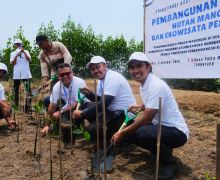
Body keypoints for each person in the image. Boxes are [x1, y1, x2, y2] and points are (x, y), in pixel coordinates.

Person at [111, 52, 190, 179]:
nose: (135, 70)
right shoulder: (144, 84)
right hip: (160, 126)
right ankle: (160, 150)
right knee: (133, 130)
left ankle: (168, 162)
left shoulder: (156, 84)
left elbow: (147, 117)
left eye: (139, 66)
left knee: (142, 133)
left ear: (148, 67)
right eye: (132, 67)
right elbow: (153, 105)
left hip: (177, 132)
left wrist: (122, 133)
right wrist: (141, 106)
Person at [73, 56, 136, 144]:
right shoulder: (101, 81)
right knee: (86, 106)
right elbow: (99, 100)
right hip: (110, 110)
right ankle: (100, 129)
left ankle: (118, 136)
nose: (95, 71)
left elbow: (105, 102)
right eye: (92, 69)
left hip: (123, 114)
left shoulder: (113, 77)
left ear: (105, 66)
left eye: (98, 67)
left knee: (92, 131)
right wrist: (89, 94)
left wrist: (83, 113)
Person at [41, 63, 90, 146]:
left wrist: (61, 111)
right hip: (67, 104)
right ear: (58, 76)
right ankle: (57, 124)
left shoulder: (79, 82)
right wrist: (46, 125)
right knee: (47, 100)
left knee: (68, 118)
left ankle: (78, 126)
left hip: (82, 106)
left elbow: (77, 103)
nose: (65, 76)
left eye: (68, 73)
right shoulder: (57, 86)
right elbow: (52, 106)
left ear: (72, 73)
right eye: (62, 74)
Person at [10, 39, 32, 112]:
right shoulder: (13, 53)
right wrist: (17, 55)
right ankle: (16, 107)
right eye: (17, 44)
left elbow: (29, 60)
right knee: (16, 91)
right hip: (17, 76)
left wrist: (24, 52)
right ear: (15, 45)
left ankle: (27, 107)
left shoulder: (27, 51)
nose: (18, 45)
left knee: (28, 90)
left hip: (26, 75)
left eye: (19, 44)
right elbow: (13, 63)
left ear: (22, 44)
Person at [0, 63, 16, 130]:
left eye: (3, 73)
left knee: (7, 108)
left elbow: (3, 103)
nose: (1, 74)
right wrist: (4, 105)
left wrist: (9, 120)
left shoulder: (1, 87)